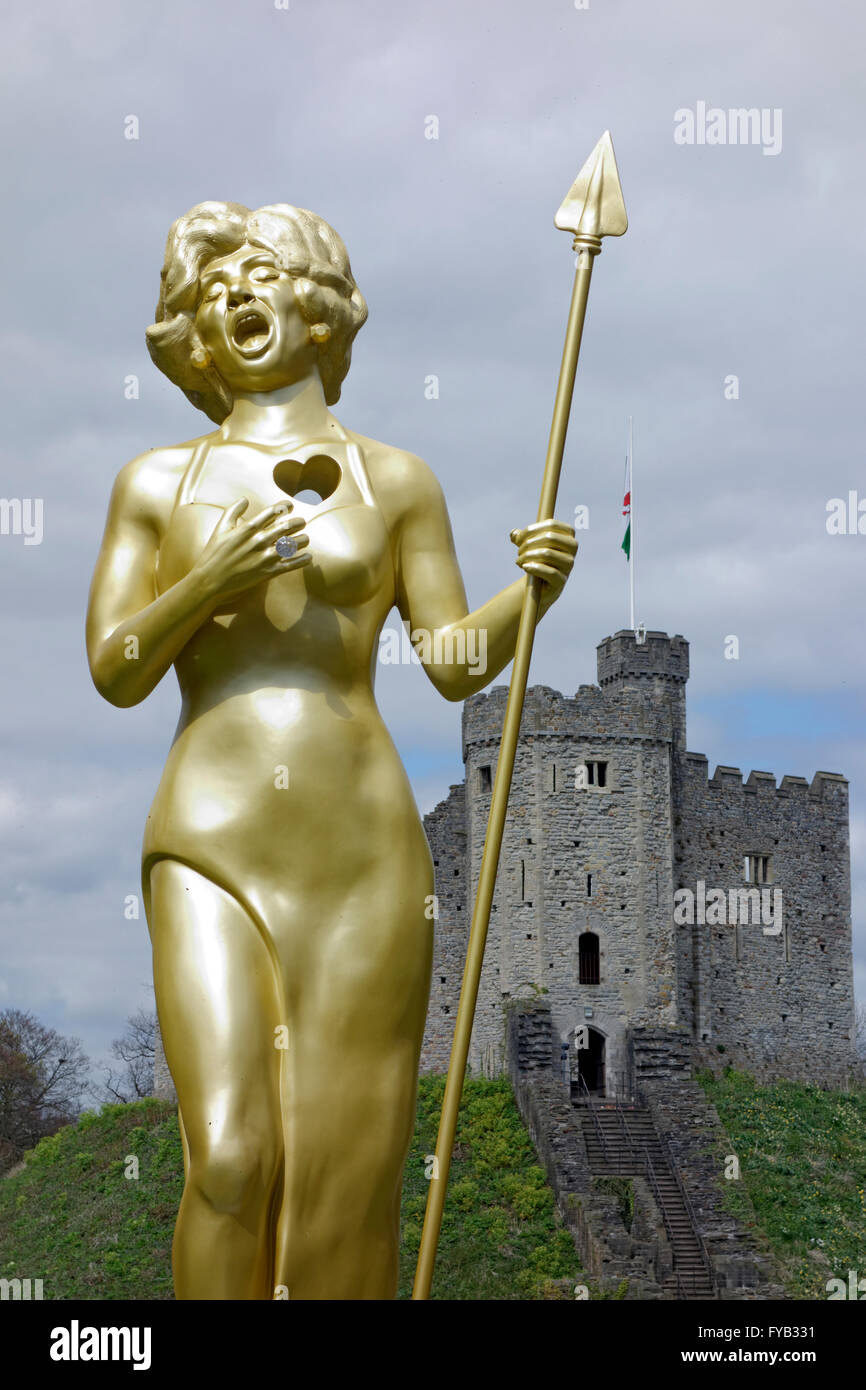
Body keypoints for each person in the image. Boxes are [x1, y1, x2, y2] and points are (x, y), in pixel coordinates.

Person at [86, 201, 576, 1299]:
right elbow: (114, 666)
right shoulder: (155, 484)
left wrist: (529, 593)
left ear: (316, 302)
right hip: (212, 841)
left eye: (257, 273)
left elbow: (448, 658)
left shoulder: (395, 481)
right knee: (228, 1158)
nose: (233, 297)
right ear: (193, 334)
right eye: (210, 291)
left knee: (344, 1179)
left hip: (362, 858)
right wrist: (206, 581)